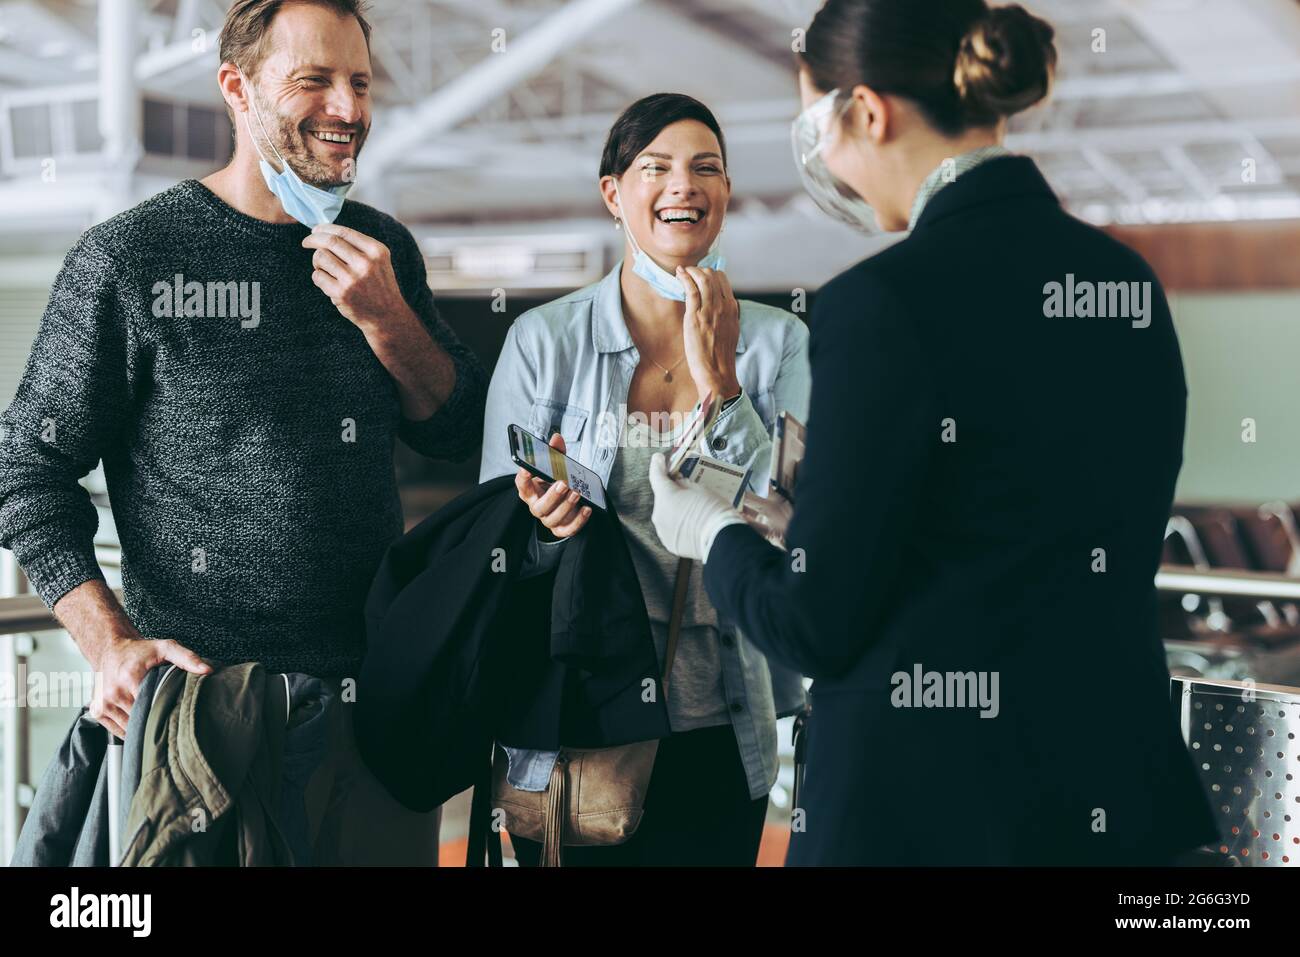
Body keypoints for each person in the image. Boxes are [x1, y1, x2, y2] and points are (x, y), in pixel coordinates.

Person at [648, 0, 1219, 865]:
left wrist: (714, 531)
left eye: (818, 123)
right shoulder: (1124, 281)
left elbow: (816, 627)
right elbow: (1027, 531)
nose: (823, 156)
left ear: (869, 112)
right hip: (1116, 800)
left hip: (926, 812)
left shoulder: (882, 304)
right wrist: (817, 530)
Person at [0, 0, 488, 865]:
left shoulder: (383, 250)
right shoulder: (131, 259)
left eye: (360, 83)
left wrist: (389, 322)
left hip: (375, 707)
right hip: (205, 718)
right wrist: (106, 643)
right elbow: (25, 469)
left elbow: (456, 430)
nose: (349, 109)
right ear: (237, 88)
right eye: (314, 81)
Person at [479, 93, 811, 866]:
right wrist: (541, 528)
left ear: (725, 195)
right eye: (654, 167)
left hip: (723, 722)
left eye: (706, 168)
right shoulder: (544, 343)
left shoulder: (777, 344)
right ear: (614, 194)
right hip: (578, 720)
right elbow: (492, 541)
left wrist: (721, 382)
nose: (682, 186)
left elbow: (792, 522)